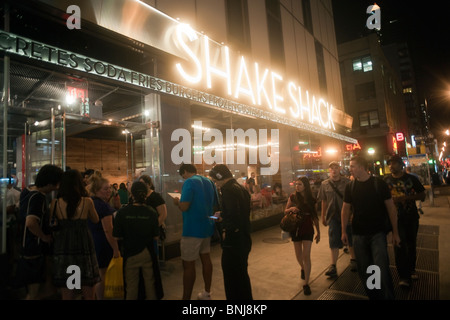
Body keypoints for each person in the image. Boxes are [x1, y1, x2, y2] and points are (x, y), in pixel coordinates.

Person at [341, 156, 401, 300]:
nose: (350, 169)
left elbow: (391, 208)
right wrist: (343, 231)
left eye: (353, 166)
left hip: (377, 233)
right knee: (365, 270)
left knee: (381, 268)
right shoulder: (350, 186)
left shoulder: (378, 184)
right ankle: (374, 296)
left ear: (362, 167)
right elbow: (345, 209)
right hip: (358, 234)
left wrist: (395, 232)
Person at [50, 169, 101, 300]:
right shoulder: (87, 201)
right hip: (83, 246)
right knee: (88, 289)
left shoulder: (55, 203)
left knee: (68, 292)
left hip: (64, 248)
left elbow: (52, 223)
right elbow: (95, 219)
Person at [18, 164, 63, 300]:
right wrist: (43, 237)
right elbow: (31, 222)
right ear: (50, 183)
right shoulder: (38, 198)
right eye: (56, 184)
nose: (57, 187)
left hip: (25, 245)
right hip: (33, 248)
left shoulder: (27, 191)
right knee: (34, 291)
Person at [173, 163, 217, 300]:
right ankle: (207, 293)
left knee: (188, 264)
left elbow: (184, 206)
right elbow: (215, 203)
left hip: (192, 229)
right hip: (207, 226)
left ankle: (185, 299)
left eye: (183, 175)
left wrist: (176, 202)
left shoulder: (189, 182)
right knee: (206, 258)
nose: (183, 177)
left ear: (185, 172)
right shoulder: (209, 182)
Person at [209, 164, 253, 300]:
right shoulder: (241, 188)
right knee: (242, 275)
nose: (216, 185)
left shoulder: (227, 190)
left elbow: (234, 214)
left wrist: (226, 230)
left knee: (231, 278)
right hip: (244, 237)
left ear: (220, 177)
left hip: (233, 240)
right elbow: (240, 211)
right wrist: (224, 214)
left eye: (215, 181)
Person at [113, 181, 163, 300]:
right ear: (146, 194)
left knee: (131, 287)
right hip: (147, 253)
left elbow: (116, 237)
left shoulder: (122, 212)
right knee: (150, 285)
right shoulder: (151, 212)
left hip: (130, 253)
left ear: (131, 194)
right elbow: (156, 236)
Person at [385, 155, 426, 287]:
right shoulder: (385, 180)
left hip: (411, 217)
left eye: (395, 163)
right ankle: (403, 276)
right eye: (390, 163)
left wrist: (406, 198)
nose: (391, 165)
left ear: (401, 165)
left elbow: (422, 195)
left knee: (411, 244)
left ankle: (412, 269)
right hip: (395, 219)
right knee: (399, 246)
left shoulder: (411, 179)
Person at [318, 161, 356, 278]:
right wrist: (323, 216)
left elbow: (354, 200)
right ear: (329, 170)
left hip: (347, 215)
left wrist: (353, 214)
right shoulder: (324, 184)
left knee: (349, 237)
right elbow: (323, 201)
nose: (334, 170)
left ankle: (353, 260)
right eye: (331, 168)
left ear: (340, 169)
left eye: (336, 168)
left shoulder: (348, 183)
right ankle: (333, 266)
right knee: (333, 239)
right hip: (333, 216)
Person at [284, 177, 320, 296]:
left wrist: (318, 232)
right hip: (296, 228)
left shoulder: (311, 199)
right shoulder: (293, 197)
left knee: (306, 255)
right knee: (298, 255)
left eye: (299, 184)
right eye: (296, 184)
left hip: (308, 228)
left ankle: (306, 283)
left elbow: (315, 216)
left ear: (305, 186)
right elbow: (285, 210)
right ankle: (303, 268)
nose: (297, 186)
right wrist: (291, 208)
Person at [88, 176, 121, 300]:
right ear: (96, 190)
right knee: (102, 275)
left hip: (93, 241)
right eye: (105, 189)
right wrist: (116, 249)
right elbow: (108, 230)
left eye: (110, 188)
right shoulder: (103, 206)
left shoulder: (90, 202)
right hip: (103, 243)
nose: (109, 191)